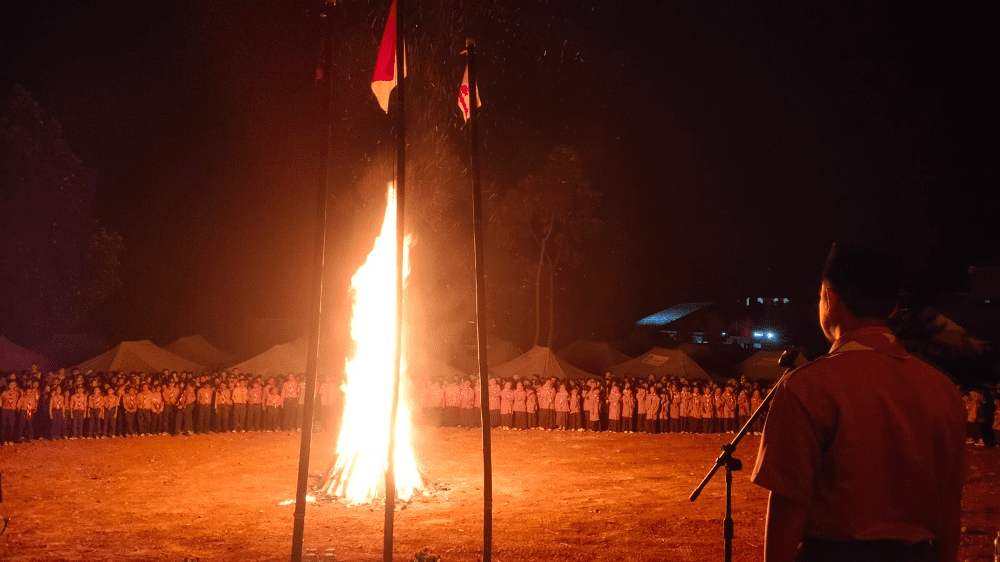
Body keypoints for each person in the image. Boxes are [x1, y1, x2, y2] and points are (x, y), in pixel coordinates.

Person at [751, 243, 966, 562]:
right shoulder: (944, 390)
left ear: (828, 297)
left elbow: (788, 507)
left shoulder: (808, 386)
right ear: (892, 308)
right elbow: (949, 510)